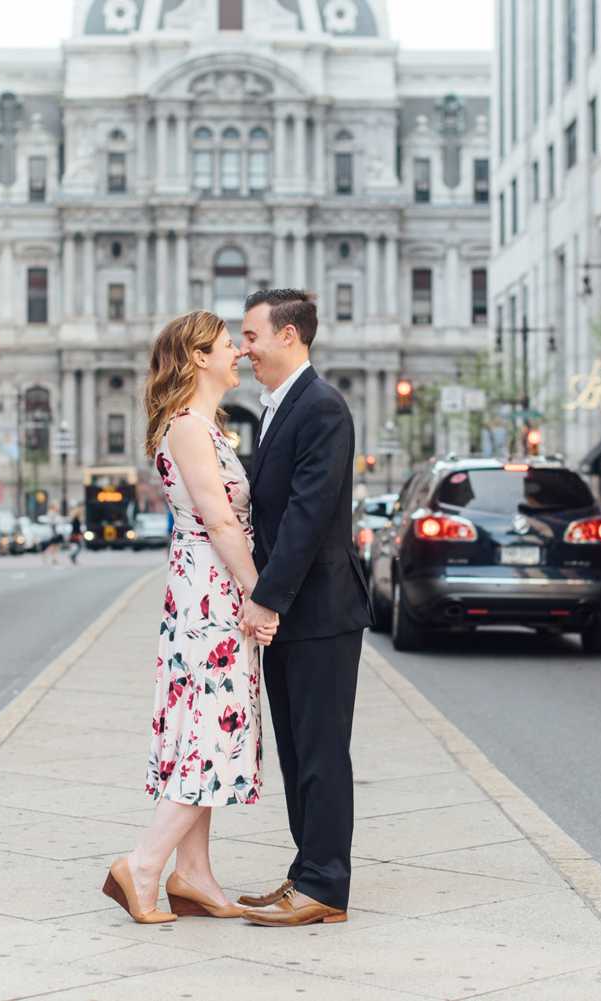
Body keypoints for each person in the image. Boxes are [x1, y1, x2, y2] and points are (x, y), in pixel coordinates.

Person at [102, 310, 278, 925]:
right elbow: (220, 519)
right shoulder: (187, 429)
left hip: (206, 587)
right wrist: (258, 595)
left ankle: (194, 875)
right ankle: (143, 865)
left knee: (204, 728)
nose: (241, 354)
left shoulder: (206, 427)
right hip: (213, 589)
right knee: (213, 732)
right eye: (231, 346)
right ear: (199, 357)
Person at [235, 289, 372, 928]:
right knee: (294, 749)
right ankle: (305, 870)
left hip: (319, 612)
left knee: (319, 750)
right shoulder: (280, 408)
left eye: (252, 334)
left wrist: (265, 599)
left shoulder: (321, 408)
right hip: (296, 613)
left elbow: (307, 516)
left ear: (288, 336)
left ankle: (325, 885)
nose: (244, 348)